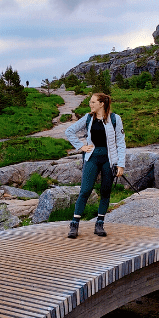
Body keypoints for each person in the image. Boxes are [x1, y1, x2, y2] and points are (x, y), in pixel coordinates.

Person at [64, 92, 126, 238]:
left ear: (101, 104)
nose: (90, 104)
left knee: (105, 192)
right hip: (92, 157)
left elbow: (121, 143)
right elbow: (69, 131)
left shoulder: (115, 119)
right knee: (85, 190)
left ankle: (99, 224)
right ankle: (74, 224)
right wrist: (81, 146)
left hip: (109, 160)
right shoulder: (88, 118)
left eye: (93, 102)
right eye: (90, 102)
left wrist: (121, 164)